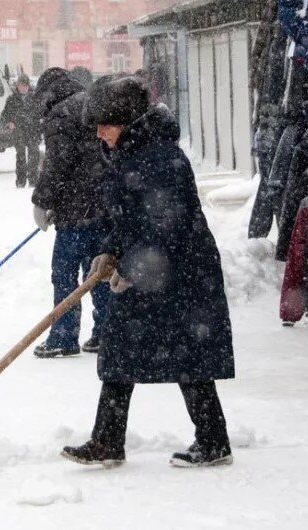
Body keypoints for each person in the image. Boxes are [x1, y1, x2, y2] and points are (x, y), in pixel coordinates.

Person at [61, 77, 236, 468]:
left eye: (105, 123)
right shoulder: (128, 155)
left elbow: (165, 227)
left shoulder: (160, 160)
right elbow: (126, 218)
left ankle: (213, 441)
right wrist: (109, 250)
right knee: (121, 350)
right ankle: (108, 441)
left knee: (188, 356)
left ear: (126, 120)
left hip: (181, 274)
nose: (99, 132)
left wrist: (131, 266)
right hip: (151, 271)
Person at [31, 67, 112, 358]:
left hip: (75, 212)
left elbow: (57, 165)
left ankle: (63, 337)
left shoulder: (60, 115)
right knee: (99, 271)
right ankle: (106, 332)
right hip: (102, 208)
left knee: (64, 273)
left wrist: (42, 201)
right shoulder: (91, 104)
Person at [1, 74, 40, 187]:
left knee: (34, 156)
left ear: (28, 86)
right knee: (21, 157)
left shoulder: (35, 99)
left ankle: (33, 181)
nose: (24, 88)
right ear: (17, 86)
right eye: (21, 85)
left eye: (26, 86)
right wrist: (9, 123)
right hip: (19, 133)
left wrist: (39, 126)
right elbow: (4, 115)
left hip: (33, 132)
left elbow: (40, 114)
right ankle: (20, 181)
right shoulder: (12, 100)